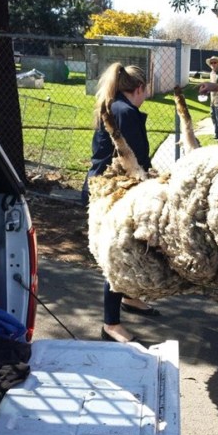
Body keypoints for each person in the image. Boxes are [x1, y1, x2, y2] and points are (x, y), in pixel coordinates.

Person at [82, 62, 160, 343]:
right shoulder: (125, 112)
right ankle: (111, 324)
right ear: (138, 89)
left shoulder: (115, 106)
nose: (146, 95)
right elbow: (135, 157)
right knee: (118, 254)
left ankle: (129, 297)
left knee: (129, 249)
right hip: (113, 192)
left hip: (107, 185)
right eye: (146, 90)